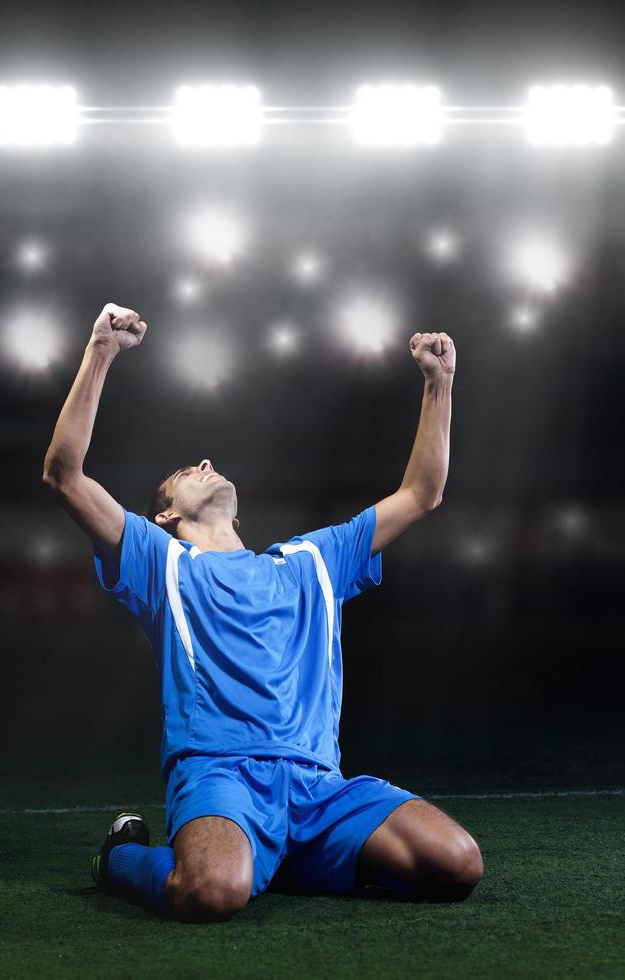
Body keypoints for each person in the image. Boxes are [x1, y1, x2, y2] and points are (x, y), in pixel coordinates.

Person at [43, 302, 482, 923]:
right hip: (220, 776)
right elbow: (64, 475)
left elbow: (421, 493)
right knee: (211, 892)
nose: (204, 463)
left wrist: (440, 384)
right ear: (165, 515)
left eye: (207, 465)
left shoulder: (313, 560)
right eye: (185, 473)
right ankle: (119, 859)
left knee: (458, 864)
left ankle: (286, 856)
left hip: (319, 786)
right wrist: (100, 353)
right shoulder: (159, 559)